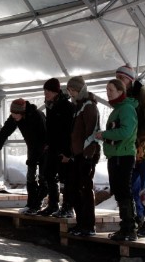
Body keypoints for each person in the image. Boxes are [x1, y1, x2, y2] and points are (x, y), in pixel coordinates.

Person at [115, 64, 145, 238]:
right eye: (117, 78)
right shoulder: (124, 97)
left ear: (130, 79)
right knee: (133, 185)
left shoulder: (143, 95)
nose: (119, 81)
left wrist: (135, 137)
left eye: (122, 78)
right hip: (130, 150)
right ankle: (138, 217)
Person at [96, 78, 139, 241]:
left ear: (121, 91)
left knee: (123, 190)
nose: (108, 93)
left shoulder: (126, 109)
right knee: (120, 191)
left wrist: (105, 134)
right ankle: (126, 227)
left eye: (111, 90)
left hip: (123, 155)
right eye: (107, 90)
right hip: (116, 155)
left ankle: (129, 228)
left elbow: (126, 132)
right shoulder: (118, 109)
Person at [0, 98, 47, 214]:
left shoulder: (37, 116)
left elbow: (44, 136)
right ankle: (30, 203)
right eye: (12, 114)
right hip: (32, 148)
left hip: (45, 148)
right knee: (30, 176)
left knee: (43, 177)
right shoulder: (15, 117)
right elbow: (5, 131)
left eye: (15, 114)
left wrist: (38, 155)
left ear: (22, 112)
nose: (13, 116)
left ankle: (38, 203)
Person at [64, 76, 101, 237]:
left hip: (86, 155)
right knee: (74, 189)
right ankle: (81, 223)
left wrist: (88, 156)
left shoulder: (89, 106)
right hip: (77, 154)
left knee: (85, 190)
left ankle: (88, 225)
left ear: (80, 90)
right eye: (69, 90)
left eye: (73, 90)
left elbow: (92, 132)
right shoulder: (78, 106)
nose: (71, 93)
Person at [40, 78, 74, 216]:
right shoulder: (50, 106)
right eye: (45, 91)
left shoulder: (66, 106)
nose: (46, 93)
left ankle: (67, 207)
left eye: (49, 91)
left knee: (65, 178)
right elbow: (50, 128)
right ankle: (53, 204)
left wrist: (68, 152)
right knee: (49, 174)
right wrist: (47, 143)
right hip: (53, 147)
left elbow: (69, 130)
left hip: (63, 148)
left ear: (56, 91)